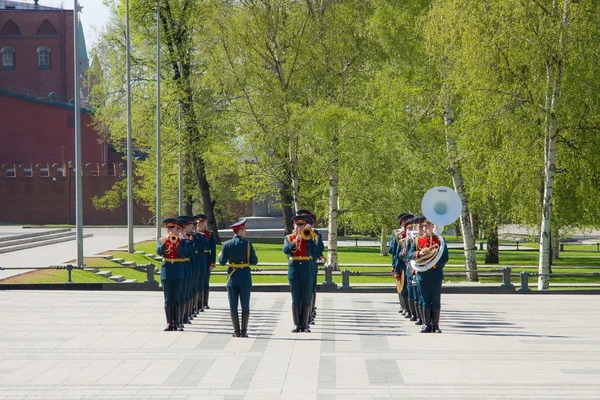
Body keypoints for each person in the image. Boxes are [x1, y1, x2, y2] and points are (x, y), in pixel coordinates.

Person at [218, 218, 258, 337]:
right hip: (245, 277)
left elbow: (222, 262)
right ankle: (244, 331)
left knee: (233, 305)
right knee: (245, 304)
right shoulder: (248, 244)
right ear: (240, 230)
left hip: (232, 278)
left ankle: (236, 331)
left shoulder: (226, 244)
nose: (245, 232)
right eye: (244, 229)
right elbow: (254, 261)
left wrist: (220, 255)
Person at [283, 215, 319, 333]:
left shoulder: (311, 237)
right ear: (294, 226)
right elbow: (285, 250)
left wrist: (308, 238)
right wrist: (295, 242)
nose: (299, 228)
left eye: (302, 225)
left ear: (305, 226)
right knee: (295, 299)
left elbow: (317, 251)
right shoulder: (289, 238)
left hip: (306, 270)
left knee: (305, 298)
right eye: (297, 225)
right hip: (294, 271)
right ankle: (296, 324)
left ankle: (304, 324)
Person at [414, 217, 449, 333]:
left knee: (435, 299)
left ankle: (436, 325)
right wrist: (419, 253)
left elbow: (445, 258)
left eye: (429, 225)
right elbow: (410, 255)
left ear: (433, 226)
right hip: (422, 274)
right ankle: (426, 324)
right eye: (425, 226)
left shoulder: (439, 240)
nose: (427, 227)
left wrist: (435, 265)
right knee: (424, 300)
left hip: (435, 274)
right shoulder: (417, 240)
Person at [157, 218, 191, 332]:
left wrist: (176, 244)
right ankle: (169, 323)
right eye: (168, 228)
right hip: (166, 271)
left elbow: (185, 254)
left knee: (177, 297)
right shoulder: (162, 240)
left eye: (173, 227)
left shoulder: (183, 241)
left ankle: (178, 322)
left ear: (177, 228)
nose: (170, 230)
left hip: (178, 270)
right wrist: (167, 242)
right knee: (168, 299)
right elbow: (159, 252)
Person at [391, 213, 414, 315]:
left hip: (411, 264)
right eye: (405, 222)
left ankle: (410, 309)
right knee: (402, 286)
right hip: (400, 262)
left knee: (410, 287)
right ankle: (404, 306)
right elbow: (392, 250)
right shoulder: (397, 234)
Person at [195, 214, 216, 310]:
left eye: (202, 222)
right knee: (197, 281)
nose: (200, 224)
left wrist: (212, 262)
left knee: (205, 281)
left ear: (205, 223)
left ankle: (205, 302)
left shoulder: (209, 234)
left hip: (206, 257)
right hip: (197, 258)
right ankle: (198, 303)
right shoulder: (193, 234)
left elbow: (213, 249)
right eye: (198, 223)